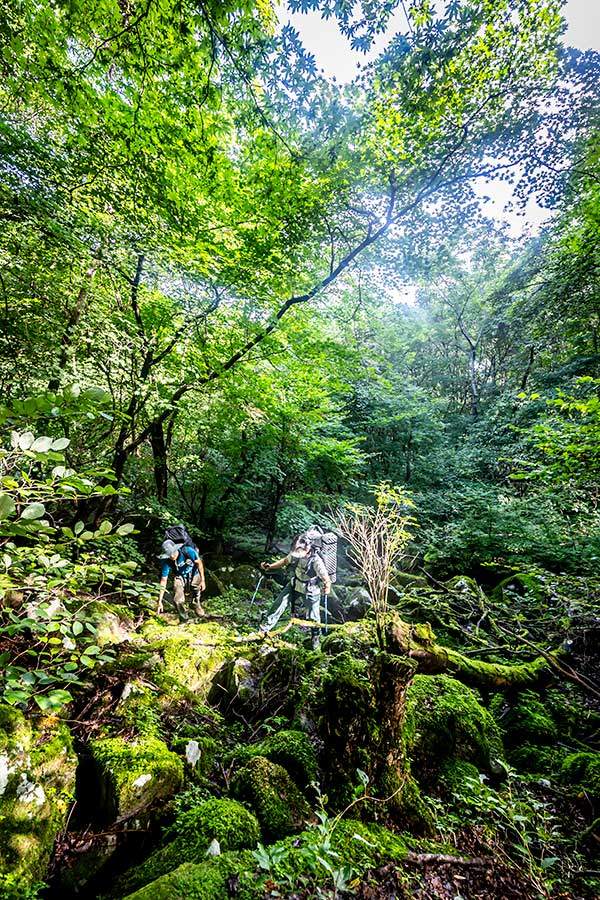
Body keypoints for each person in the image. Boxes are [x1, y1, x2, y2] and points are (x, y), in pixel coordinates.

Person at [260, 532, 331, 649]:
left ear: (307, 549)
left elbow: (326, 578)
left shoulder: (316, 561)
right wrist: (270, 567)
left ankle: (315, 637)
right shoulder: (295, 554)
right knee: (279, 603)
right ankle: (264, 629)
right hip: (295, 584)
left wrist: (327, 587)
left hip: (310, 589)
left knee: (313, 615)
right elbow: (284, 561)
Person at [158, 539, 206, 621]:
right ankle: (184, 617)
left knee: (196, 588)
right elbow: (163, 580)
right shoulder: (166, 561)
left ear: (176, 549)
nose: (171, 556)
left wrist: (203, 580)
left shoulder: (188, 551)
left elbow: (199, 563)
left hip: (193, 572)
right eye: (168, 555)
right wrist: (160, 601)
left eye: (172, 553)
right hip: (179, 575)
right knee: (177, 598)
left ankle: (195, 603)